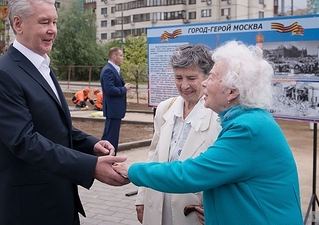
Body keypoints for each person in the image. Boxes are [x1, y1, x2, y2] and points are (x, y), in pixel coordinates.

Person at [0, 0, 129, 225]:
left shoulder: (42, 67)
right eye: (44, 22)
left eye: (55, 22)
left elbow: (54, 126)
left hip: (58, 198)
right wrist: (90, 167)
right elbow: (24, 141)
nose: (53, 30)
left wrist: (91, 145)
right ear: (18, 24)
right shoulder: (1, 75)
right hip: (25, 207)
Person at [113, 40, 303, 225]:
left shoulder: (245, 129)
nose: (204, 84)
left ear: (232, 92)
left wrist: (132, 170)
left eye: (211, 77)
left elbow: (191, 174)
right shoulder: (247, 120)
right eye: (179, 77)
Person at [135, 44, 221, 225]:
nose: (184, 85)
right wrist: (142, 198)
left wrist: (218, 208)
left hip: (192, 211)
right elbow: (153, 154)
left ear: (207, 77)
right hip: (156, 204)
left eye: (191, 78)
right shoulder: (165, 109)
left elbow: (223, 170)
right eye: (178, 77)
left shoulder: (218, 117)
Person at [100, 47, 132, 153]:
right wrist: (124, 89)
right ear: (114, 56)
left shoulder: (112, 69)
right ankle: (110, 160)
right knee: (111, 138)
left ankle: (104, 157)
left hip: (114, 110)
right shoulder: (108, 70)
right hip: (113, 109)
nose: (122, 58)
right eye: (121, 55)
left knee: (108, 135)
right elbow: (110, 90)